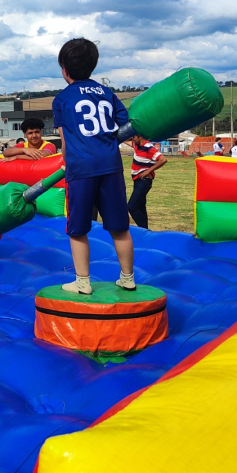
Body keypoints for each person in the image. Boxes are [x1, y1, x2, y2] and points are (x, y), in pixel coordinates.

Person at [52, 37, 133, 296]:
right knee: (119, 226)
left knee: (77, 229)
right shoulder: (108, 93)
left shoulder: (62, 99)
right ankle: (128, 277)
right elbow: (125, 126)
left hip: (80, 169)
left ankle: (83, 281)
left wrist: (67, 159)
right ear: (93, 66)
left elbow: (65, 141)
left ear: (64, 69)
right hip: (110, 166)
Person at [127, 134, 166, 229]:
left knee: (132, 206)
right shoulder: (137, 145)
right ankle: (145, 230)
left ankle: (143, 228)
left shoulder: (148, 147)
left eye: (134, 137)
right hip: (137, 180)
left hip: (144, 181)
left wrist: (148, 171)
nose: (132, 139)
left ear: (140, 137)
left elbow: (163, 160)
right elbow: (125, 141)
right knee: (140, 206)